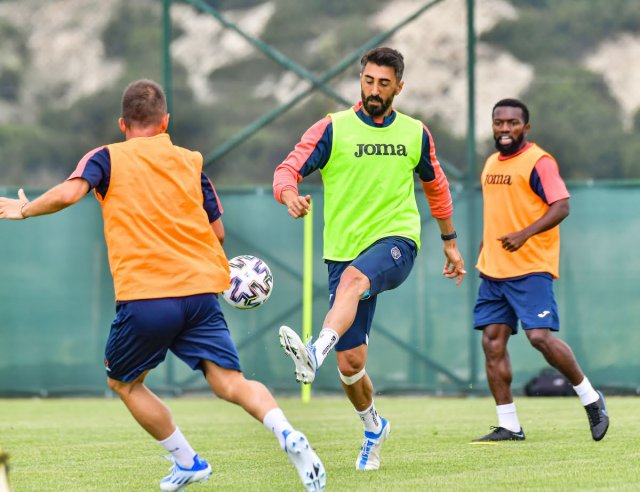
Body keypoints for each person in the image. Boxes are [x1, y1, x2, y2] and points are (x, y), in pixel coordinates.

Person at [0, 79, 326, 491]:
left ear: (123, 123)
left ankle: (187, 461)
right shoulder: (190, 161)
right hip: (200, 294)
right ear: (166, 121)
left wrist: (24, 209)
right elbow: (218, 234)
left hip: (147, 296)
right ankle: (286, 432)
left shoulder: (106, 157)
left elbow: (68, 194)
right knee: (229, 382)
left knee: (123, 382)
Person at [272, 47, 466, 470]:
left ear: (399, 86)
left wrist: (449, 240)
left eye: (384, 83)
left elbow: (437, 187)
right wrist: (289, 195)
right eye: (368, 81)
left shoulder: (416, 133)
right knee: (352, 364)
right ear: (360, 79)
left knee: (355, 281)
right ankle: (374, 426)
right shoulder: (332, 129)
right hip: (342, 251)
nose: (374, 90)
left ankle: (314, 349)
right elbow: (288, 169)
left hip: (397, 241)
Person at [472, 98, 609, 442]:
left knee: (539, 338)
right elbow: (497, 215)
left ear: (526, 127)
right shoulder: (490, 164)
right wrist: (482, 252)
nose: (505, 129)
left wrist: (523, 235)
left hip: (531, 267)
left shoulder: (539, 161)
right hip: (493, 271)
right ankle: (510, 425)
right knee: (492, 344)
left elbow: (561, 206)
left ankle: (591, 399)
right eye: (499, 123)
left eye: (513, 123)